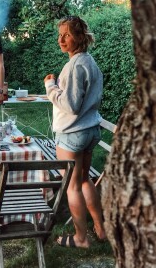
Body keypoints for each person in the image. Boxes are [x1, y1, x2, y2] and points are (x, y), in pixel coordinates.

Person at [43, 16, 107, 249]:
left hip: (72, 134)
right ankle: (100, 229)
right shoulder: (90, 62)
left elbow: (70, 105)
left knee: (72, 186)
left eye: (67, 34)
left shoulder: (73, 66)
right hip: (90, 130)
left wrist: (51, 87)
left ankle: (81, 238)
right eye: (59, 35)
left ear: (80, 37)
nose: (61, 39)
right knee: (85, 180)